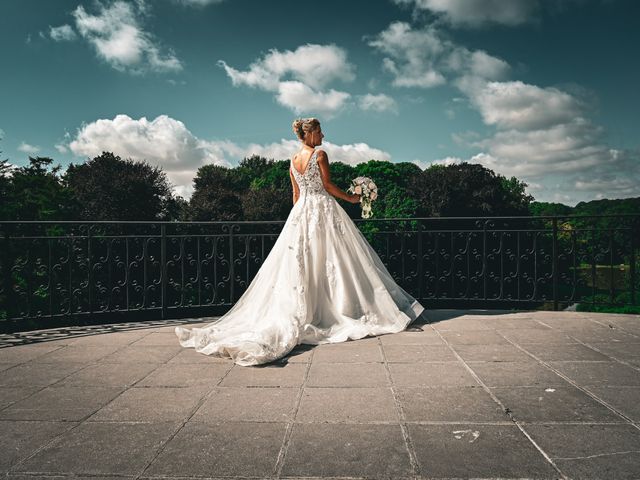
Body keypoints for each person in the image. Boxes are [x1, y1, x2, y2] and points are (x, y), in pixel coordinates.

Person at [175, 117, 425, 366]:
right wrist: (352, 199)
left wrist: (300, 221)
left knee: (303, 261)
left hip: (302, 213)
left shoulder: (292, 162)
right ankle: (336, 310)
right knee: (334, 259)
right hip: (323, 209)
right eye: (320, 132)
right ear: (311, 133)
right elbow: (327, 185)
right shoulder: (320, 155)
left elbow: (295, 195)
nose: (323, 136)